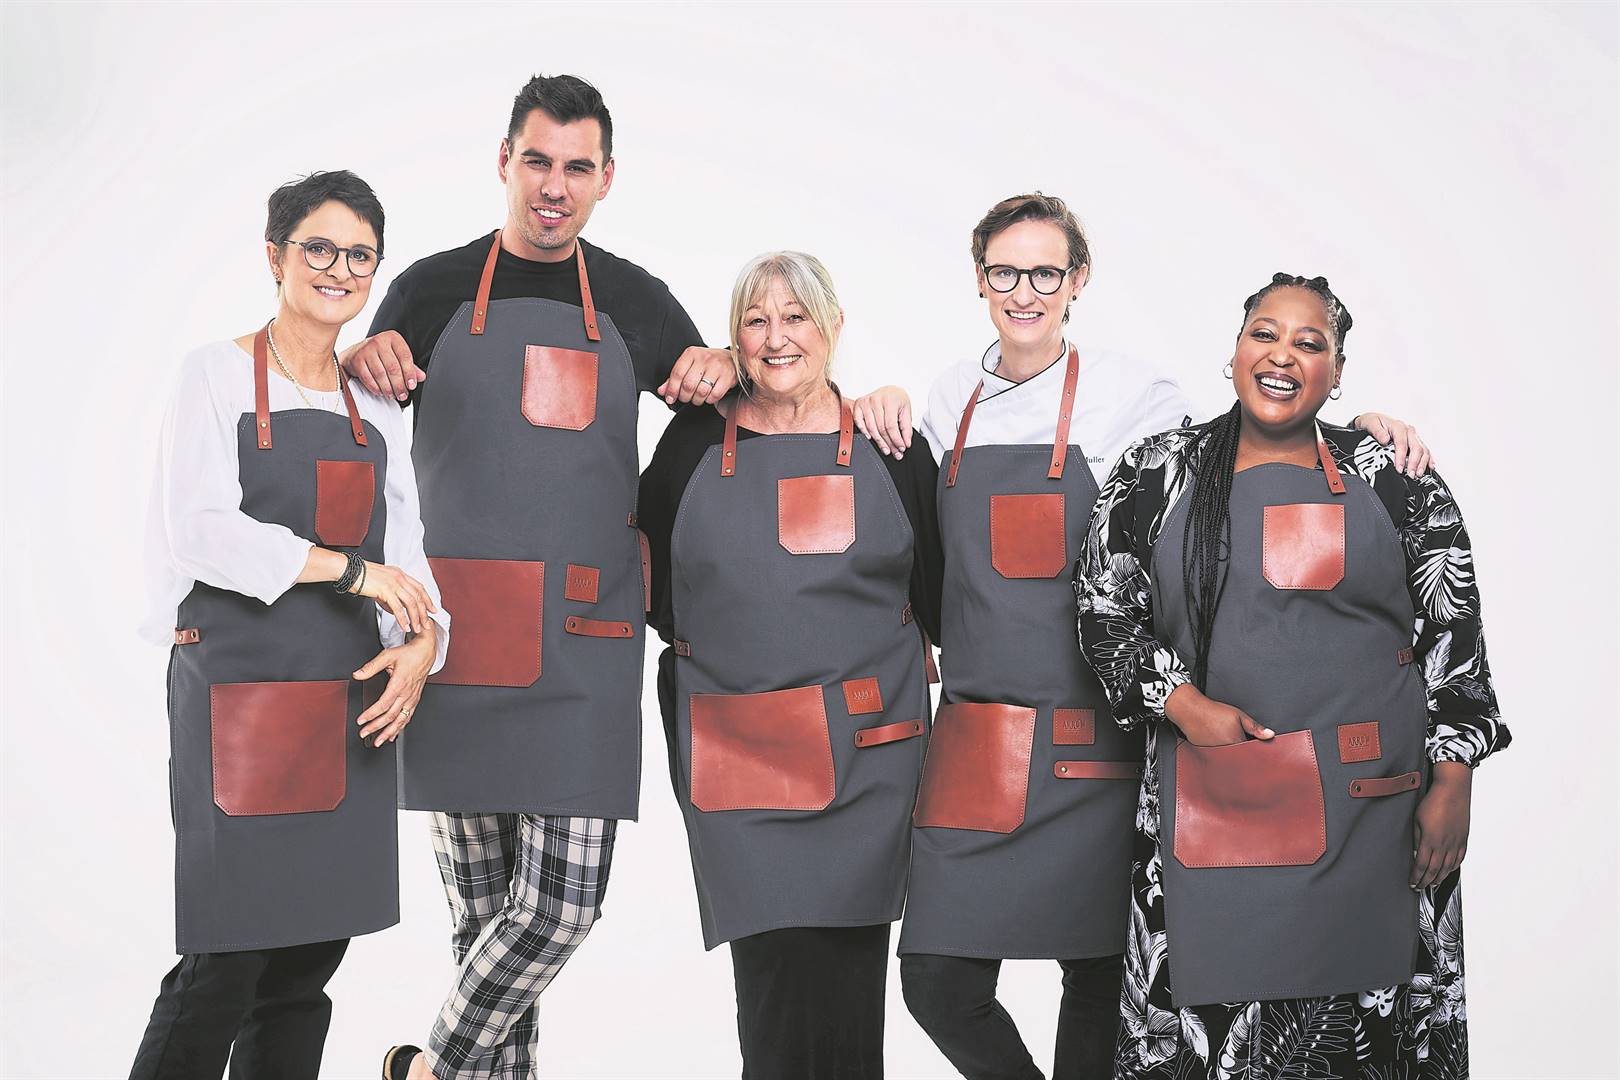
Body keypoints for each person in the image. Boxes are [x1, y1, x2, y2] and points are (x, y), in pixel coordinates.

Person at [851, 195, 1434, 1080]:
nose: (1024, 290)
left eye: (1045, 272)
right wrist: (873, 402)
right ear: (979, 279)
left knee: (1097, 981)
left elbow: (1240, 451)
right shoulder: (947, 399)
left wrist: (1362, 437)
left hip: (1098, 742)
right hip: (976, 743)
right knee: (937, 981)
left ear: (1077, 280)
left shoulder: (1135, 396)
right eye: (1005, 271)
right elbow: (908, 527)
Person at [345, 75, 738, 1080]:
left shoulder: (638, 302)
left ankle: (427, 1069)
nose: (554, 185)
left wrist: (724, 370)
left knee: (560, 910)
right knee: (484, 922)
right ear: (504, 161)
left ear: (606, 178)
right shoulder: (429, 291)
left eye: (577, 167)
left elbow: (717, 437)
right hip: (458, 639)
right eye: (537, 161)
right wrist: (362, 357)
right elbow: (363, 444)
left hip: (585, 645)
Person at [1075, 273, 1508, 1079]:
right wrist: (1184, 703)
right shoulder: (1156, 471)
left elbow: (1455, 633)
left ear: (1337, 373)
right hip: (1209, 803)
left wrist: (1454, 781)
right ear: (1235, 351)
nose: (1282, 356)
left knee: (1359, 1039)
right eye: (1264, 335)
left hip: (1373, 815)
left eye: (1310, 344)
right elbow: (1103, 609)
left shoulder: (1392, 474)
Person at [131, 170, 448, 1078]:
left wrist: (425, 643)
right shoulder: (214, 375)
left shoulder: (376, 408)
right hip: (239, 705)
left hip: (343, 709)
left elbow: (409, 560)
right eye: (319, 247)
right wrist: (350, 570)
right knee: (222, 963)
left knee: (306, 969)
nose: (339, 268)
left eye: (360, 255)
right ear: (276, 257)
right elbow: (200, 531)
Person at [636, 251, 944, 1079]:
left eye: (796, 316)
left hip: (869, 759)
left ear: (833, 326)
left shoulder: (890, 445)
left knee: (850, 994)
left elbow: (942, 598)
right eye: (756, 320)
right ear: (734, 339)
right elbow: (653, 590)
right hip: (739, 755)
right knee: (771, 992)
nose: (777, 338)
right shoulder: (692, 442)